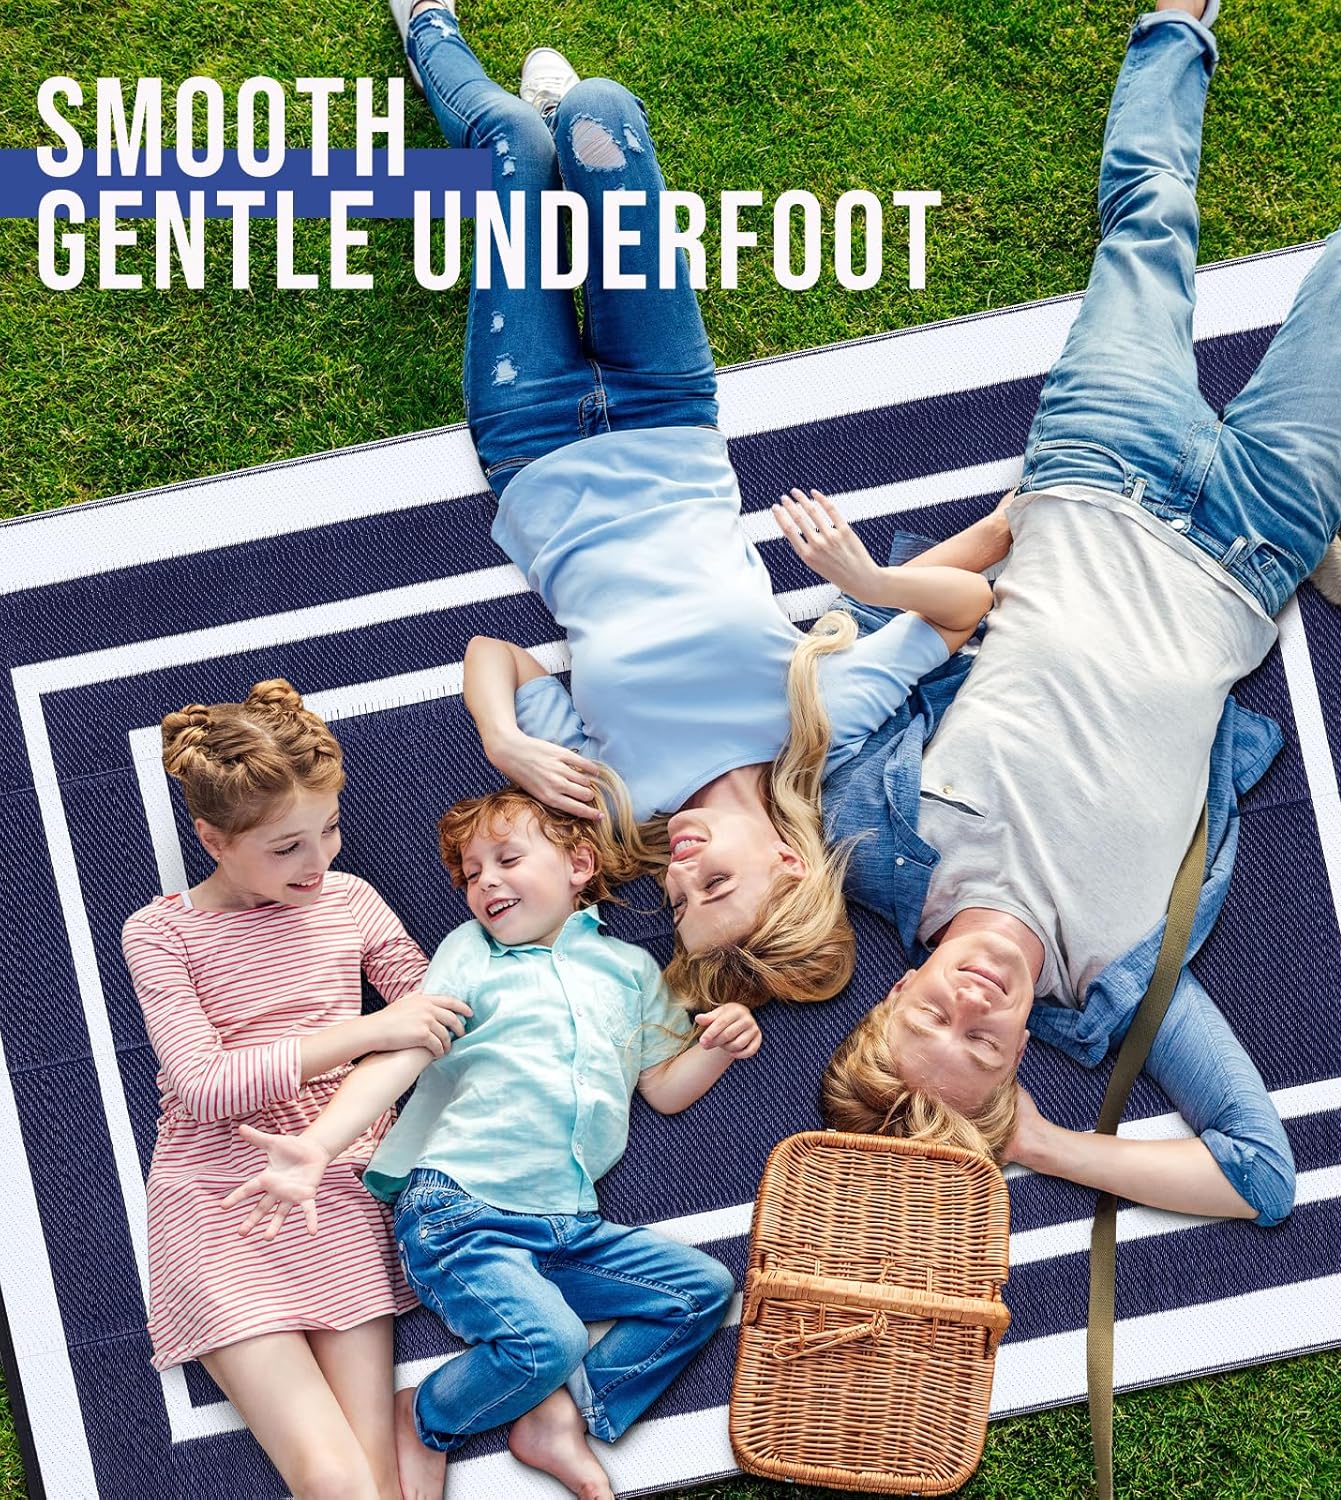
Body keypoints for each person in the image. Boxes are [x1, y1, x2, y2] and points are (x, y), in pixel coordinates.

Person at [815, 1, 1341, 1225]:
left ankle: (1175, 25)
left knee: (1148, 225)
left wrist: (971, 545)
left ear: (895, 992)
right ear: (1016, 1064)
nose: (973, 1006)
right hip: (1260, 538)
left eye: (933, 1017)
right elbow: (1258, 1175)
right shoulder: (1123, 983)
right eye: (984, 1045)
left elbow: (838, 690)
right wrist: (1043, 1144)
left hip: (1094, 467)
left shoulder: (868, 841)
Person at [391, 0, 995, 1013]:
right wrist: (868, 580)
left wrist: (503, 739)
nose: (679, 874)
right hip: (667, 412)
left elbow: (494, 655)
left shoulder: (616, 802)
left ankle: (428, 29)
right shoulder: (818, 727)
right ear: (790, 863)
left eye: (678, 901)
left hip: (532, 441)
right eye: (714, 886)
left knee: (510, 146)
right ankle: (575, 153)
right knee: (600, 108)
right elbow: (964, 611)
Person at [225, 780, 759, 1500]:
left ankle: (562, 1413)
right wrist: (319, 1145)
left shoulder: (631, 970)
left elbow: (662, 1086)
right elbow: (404, 1054)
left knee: (701, 1290)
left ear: (578, 866)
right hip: (460, 1212)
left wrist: (719, 1047)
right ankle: (427, 1418)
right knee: (549, 1341)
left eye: (507, 860)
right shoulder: (472, 953)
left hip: (568, 1222)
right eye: (472, 874)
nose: (486, 883)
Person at [119, 679, 473, 1500]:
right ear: (212, 839)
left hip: (339, 1188)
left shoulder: (351, 901)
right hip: (221, 1202)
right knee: (332, 1479)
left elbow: (437, 1015)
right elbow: (206, 1086)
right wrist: (369, 1030)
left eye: (331, 830)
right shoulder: (161, 931)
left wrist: (406, 1028)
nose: (319, 863)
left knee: (376, 1477)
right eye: (286, 848)